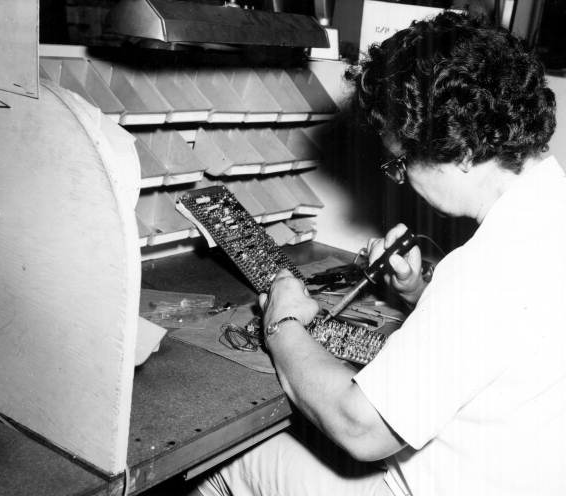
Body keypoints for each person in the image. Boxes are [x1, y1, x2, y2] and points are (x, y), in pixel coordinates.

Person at [193, 11, 565, 496]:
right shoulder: (547, 214)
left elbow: (359, 427)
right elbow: (510, 334)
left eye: (400, 162)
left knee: (232, 459)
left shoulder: (488, 269)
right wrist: (421, 292)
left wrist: (282, 324)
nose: (403, 178)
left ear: (465, 154)